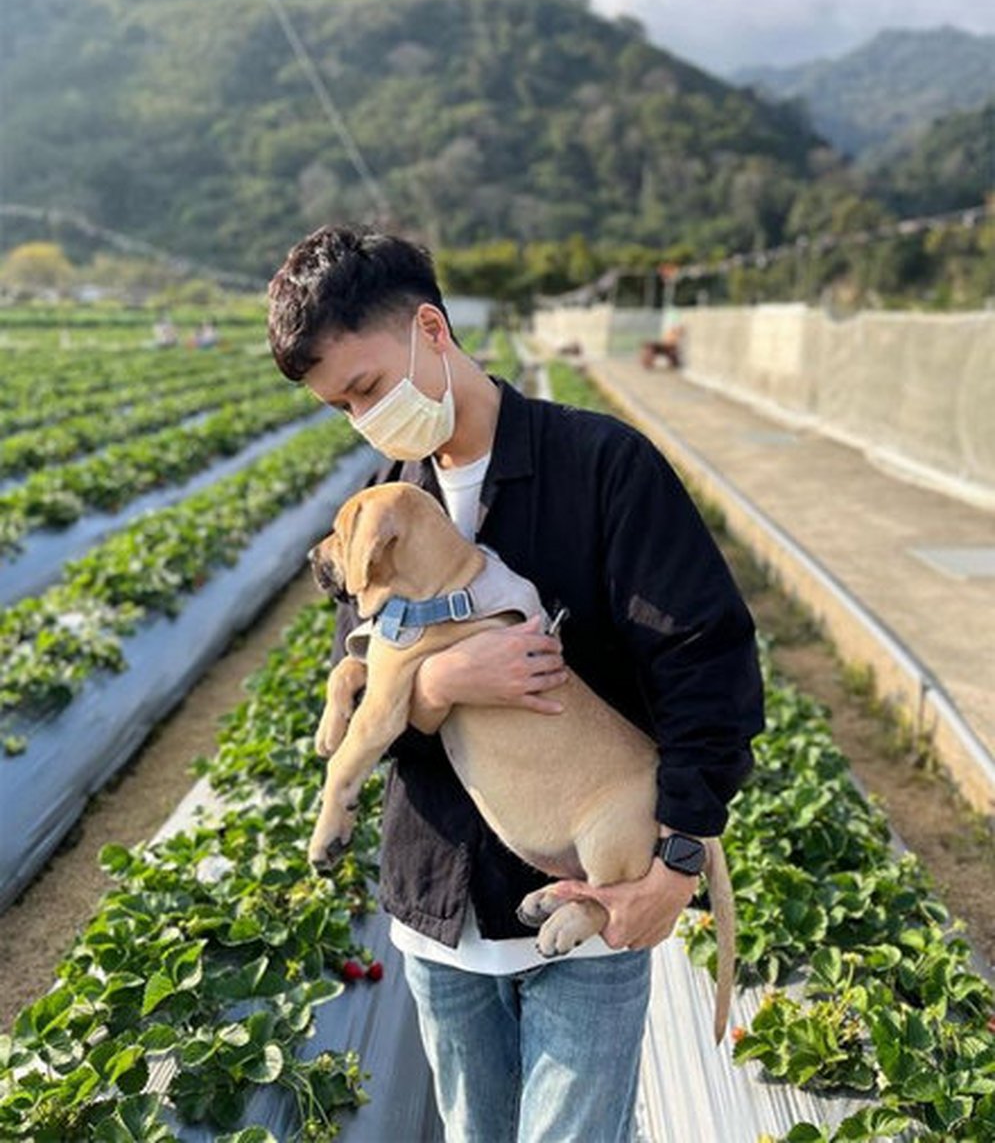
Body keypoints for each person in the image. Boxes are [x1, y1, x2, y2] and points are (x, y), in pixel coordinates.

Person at [266, 225, 764, 1143]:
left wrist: (680, 858)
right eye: (342, 407)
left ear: (430, 329)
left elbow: (709, 661)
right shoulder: (384, 496)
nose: (364, 419)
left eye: (367, 389)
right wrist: (443, 681)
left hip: (590, 910)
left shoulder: (603, 468)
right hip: (437, 913)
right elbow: (363, 675)